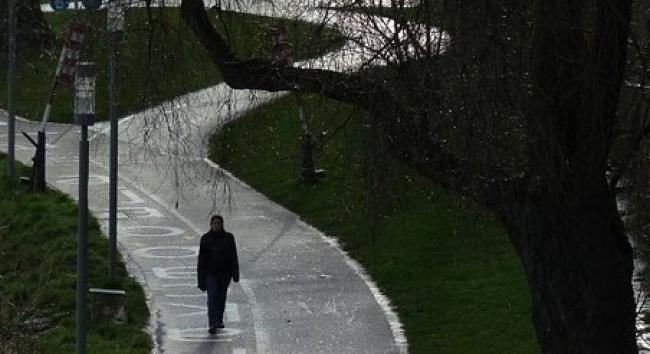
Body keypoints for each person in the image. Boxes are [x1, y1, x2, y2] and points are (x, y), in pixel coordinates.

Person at [197, 215, 240, 334]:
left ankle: (219, 319)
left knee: (221, 297)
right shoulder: (205, 239)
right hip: (210, 274)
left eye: (218, 223)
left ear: (222, 225)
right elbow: (201, 260)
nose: (216, 225)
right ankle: (212, 323)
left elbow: (233, 256)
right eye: (214, 223)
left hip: (225, 273)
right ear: (211, 225)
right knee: (212, 298)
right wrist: (201, 280)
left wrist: (235, 273)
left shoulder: (228, 238)